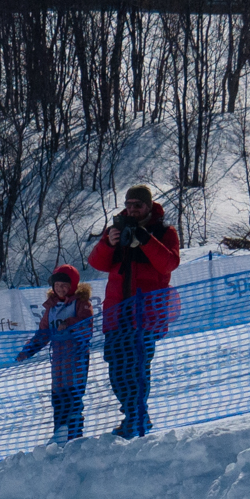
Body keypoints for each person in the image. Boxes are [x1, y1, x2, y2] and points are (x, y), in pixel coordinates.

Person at [86, 185, 181, 437]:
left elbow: (169, 263)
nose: (132, 210)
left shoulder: (164, 231)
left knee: (137, 368)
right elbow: (96, 263)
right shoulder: (116, 230)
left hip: (146, 316)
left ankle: (137, 417)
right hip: (117, 314)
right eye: (128, 205)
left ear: (149, 207)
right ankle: (133, 414)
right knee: (116, 369)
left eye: (137, 205)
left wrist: (146, 239)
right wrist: (108, 242)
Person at [16, 265, 94, 442]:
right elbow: (43, 334)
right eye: (57, 284)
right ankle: (60, 435)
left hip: (77, 360)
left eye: (65, 285)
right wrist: (27, 352)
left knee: (73, 398)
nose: (60, 288)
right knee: (58, 398)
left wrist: (69, 323)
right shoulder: (51, 307)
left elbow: (86, 325)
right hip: (58, 362)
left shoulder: (81, 303)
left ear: (73, 286)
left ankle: (75, 437)